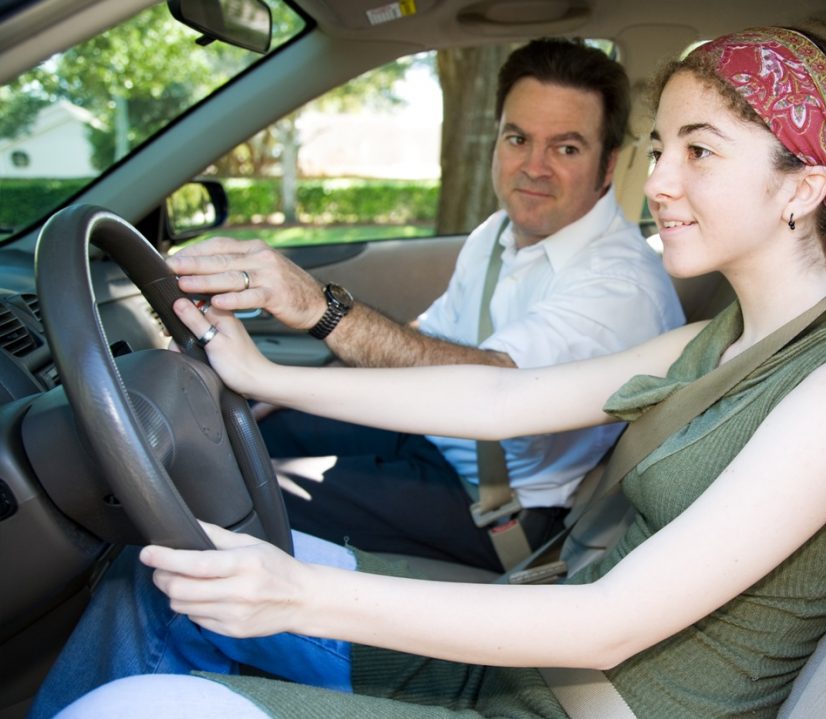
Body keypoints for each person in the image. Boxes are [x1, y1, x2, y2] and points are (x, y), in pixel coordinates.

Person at [34, 26, 826, 718]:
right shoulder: (728, 336)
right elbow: (503, 396)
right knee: (165, 575)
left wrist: (295, 593)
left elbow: (608, 623)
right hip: (533, 651)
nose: (659, 181)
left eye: (698, 151)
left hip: (573, 687)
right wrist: (267, 375)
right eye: (660, 148)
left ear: (802, 187)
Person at [167, 38, 685, 571]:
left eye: (566, 148)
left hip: (496, 505)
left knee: (237, 497)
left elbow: (499, 388)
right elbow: (428, 335)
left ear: (608, 166)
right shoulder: (497, 235)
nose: (534, 167)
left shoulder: (621, 286)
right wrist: (300, 391)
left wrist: (317, 312)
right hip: (429, 433)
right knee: (244, 437)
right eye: (518, 138)